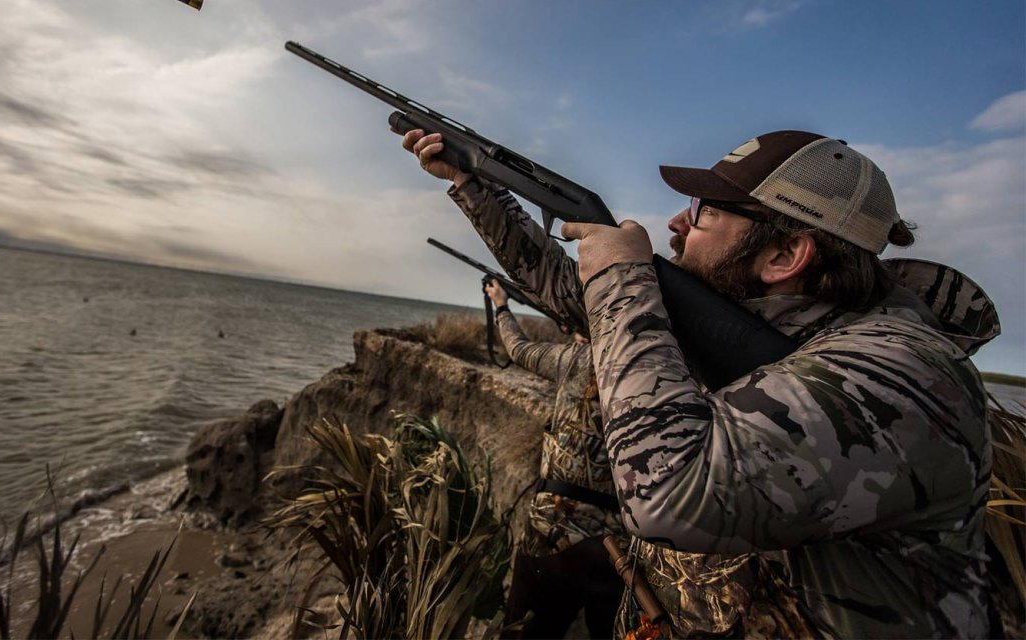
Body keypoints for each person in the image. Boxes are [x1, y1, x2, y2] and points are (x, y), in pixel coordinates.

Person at [401, 126, 999, 638]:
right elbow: (566, 290)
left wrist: (624, 277)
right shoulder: (749, 324)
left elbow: (668, 496)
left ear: (785, 254)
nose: (677, 221)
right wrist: (471, 183)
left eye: (707, 211)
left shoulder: (903, 373)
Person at [482, 278, 622, 639]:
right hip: (617, 543)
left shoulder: (575, 359)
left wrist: (501, 304)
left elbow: (516, 348)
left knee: (525, 630)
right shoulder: (653, 369)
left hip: (551, 531)